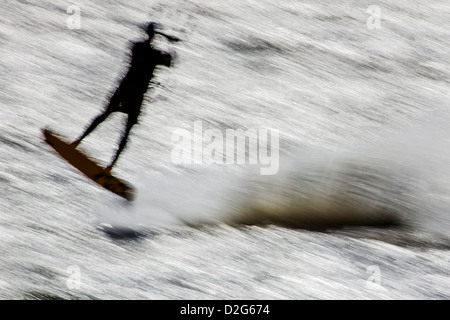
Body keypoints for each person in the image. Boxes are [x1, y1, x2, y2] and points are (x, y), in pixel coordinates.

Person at [71, 22, 179, 172]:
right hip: (126, 91)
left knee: (126, 131)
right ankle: (78, 141)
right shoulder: (139, 47)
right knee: (105, 116)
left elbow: (169, 62)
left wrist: (169, 43)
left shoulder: (152, 53)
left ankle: (111, 165)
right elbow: (166, 59)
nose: (150, 37)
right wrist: (168, 42)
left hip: (135, 95)